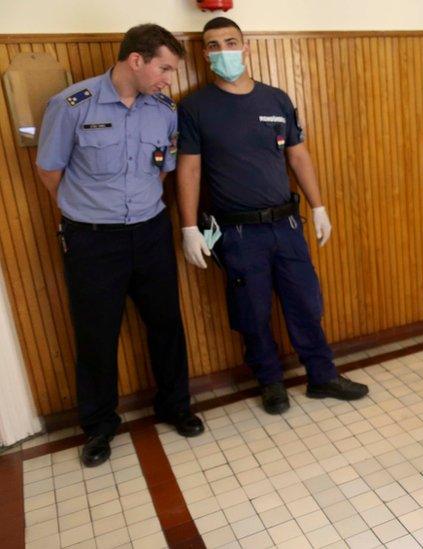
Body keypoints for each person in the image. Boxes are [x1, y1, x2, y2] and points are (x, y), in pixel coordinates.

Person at [176, 16, 368, 415]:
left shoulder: (276, 99)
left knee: (305, 302)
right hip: (237, 232)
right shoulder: (195, 107)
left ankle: (322, 376)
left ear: (246, 48)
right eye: (214, 45)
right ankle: (270, 383)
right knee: (252, 311)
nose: (223, 51)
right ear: (205, 53)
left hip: (286, 224)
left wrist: (319, 207)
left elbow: (297, 155)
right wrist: (190, 226)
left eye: (231, 42)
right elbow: (189, 169)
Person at [35, 24, 205, 467]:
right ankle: (99, 426)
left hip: (149, 232)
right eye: (164, 68)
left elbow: (162, 169)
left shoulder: (164, 109)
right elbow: (49, 171)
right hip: (92, 241)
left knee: (166, 324)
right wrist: (85, 211)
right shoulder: (72, 105)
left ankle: (176, 406)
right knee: (96, 335)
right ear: (136, 60)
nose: (169, 78)